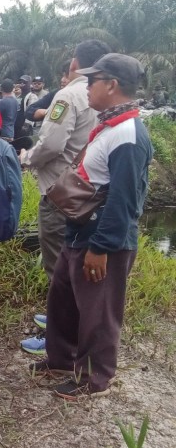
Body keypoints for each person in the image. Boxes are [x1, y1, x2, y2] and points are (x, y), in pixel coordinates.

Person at [33, 53, 152, 400]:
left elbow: (125, 201)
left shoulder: (128, 135)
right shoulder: (110, 125)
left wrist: (101, 248)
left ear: (111, 85)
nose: (85, 87)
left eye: (91, 81)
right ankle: (60, 359)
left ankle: (94, 377)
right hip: (79, 229)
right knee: (64, 300)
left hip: (101, 237)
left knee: (98, 313)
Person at [19, 40, 110, 355]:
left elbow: (52, 145)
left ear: (75, 63)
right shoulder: (108, 96)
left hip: (61, 192)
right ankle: (63, 325)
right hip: (90, 194)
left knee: (59, 270)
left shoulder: (70, 94)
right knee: (70, 264)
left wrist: (25, 158)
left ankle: (59, 338)